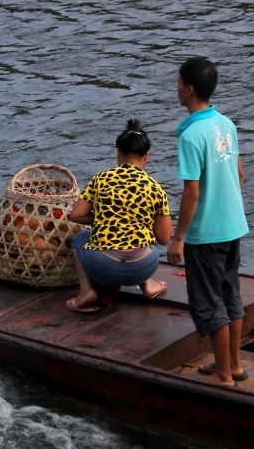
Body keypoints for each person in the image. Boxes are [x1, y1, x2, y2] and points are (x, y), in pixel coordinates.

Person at [166, 56, 249, 386]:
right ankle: (234, 365)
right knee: (231, 295)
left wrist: (178, 237)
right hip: (233, 225)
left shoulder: (191, 135)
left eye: (177, 85)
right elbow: (240, 174)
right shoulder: (225, 124)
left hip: (207, 234)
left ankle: (223, 375)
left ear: (188, 90)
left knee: (210, 301)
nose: (175, 90)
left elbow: (191, 194)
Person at [65, 119, 173, 313]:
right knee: (144, 240)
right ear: (146, 156)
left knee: (79, 239)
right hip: (143, 266)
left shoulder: (100, 179)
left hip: (103, 266)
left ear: (118, 153)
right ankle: (148, 285)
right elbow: (164, 239)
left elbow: (76, 215)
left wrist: (101, 218)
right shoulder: (155, 188)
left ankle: (86, 291)